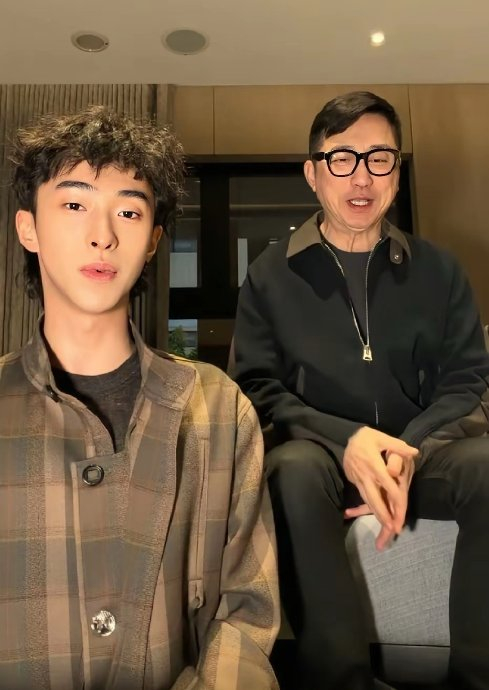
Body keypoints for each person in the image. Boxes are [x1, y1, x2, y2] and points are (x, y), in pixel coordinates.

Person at [0, 106, 280, 690]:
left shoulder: (219, 411)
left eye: (128, 211)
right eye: (74, 205)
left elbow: (247, 614)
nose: (103, 234)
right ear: (28, 228)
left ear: (153, 241)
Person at [232, 91, 489, 690]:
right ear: (313, 173)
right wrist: (347, 440)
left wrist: (408, 450)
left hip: (420, 456)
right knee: (290, 471)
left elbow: (467, 381)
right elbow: (256, 388)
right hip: (322, 458)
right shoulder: (270, 276)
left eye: (379, 158)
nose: (361, 176)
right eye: (342, 158)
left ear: (396, 172)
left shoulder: (440, 270)